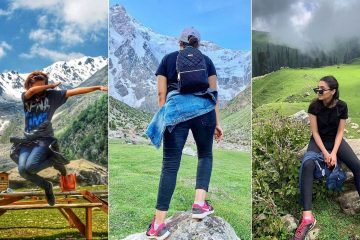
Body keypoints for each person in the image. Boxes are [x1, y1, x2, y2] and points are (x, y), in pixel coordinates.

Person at [145, 27, 223, 239]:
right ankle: (199, 204)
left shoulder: (168, 60)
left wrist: (166, 115)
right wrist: (217, 122)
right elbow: (213, 93)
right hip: (205, 111)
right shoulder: (207, 61)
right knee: (205, 155)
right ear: (198, 44)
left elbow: (162, 94)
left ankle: (158, 225)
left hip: (176, 110)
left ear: (179, 43)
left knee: (170, 166)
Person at [14, 71, 107, 206]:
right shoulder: (26, 97)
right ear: (30, 86)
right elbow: (32, 91)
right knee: (23, 170)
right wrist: (49, 85)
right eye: (37, 87)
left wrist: (97, 87)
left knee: (31, 167)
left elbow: (75, 91)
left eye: (43, 86)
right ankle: (47, 186)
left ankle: (53, 160)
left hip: (44, 139)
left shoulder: (53, 96)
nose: (39, 90)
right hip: (27, 141)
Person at [294, 76, 360, 239]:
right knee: (308, 165)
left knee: (357, 167)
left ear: (333, 91)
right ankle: (308, 217)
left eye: (321, 89)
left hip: (335, 141)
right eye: (317, 88)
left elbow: (340, 133)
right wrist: (325, 153)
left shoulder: (342, 107)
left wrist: (334, 153)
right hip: (318, 142)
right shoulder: (314, 106)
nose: (318, 91)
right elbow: (315, 133)